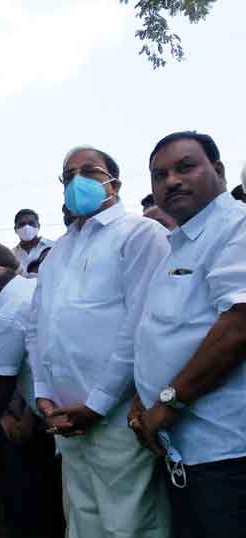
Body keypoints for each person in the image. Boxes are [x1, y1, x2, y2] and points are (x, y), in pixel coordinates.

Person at [30, 145, 172, 538]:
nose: (78, 181)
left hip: (117, 421)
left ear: (114, 182)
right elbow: (38, 327)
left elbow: (141, 327)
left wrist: (96, 405)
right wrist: (43, 393)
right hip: (65, 421)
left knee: (130, 525)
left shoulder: (141, 234)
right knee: (82, 523)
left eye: (89, 171)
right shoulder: (58, 251)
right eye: (69, 174)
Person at [130, 132, 246, 537]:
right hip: (181, 449)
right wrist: (140, 399)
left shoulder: (238, 227)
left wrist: (166, 403)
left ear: (218, 170)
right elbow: (164, 332)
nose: (171, 181)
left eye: (185, 167)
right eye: (159, 174)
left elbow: (237, 326)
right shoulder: (178, 244)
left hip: (227, 452)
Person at [0, 265, 64, 538]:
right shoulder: (31, 291)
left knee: (34, 507)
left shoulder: (9, 312)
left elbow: (0, 385)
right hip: (54, 410)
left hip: (54, 416)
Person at [11, 209, 54, 275]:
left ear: (39, 226)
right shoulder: (12, 256)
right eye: (22, 224)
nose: (27, 227)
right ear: (15, 229)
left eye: (31, 223)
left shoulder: (53, 247)